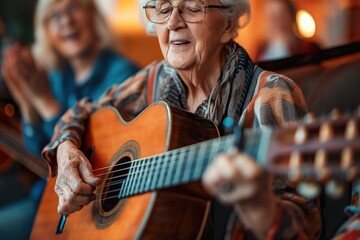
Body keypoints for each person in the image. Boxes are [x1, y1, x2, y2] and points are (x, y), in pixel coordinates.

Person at [41, 0, 321, 238]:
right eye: (163, 9)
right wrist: (66, 151)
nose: (173, 22)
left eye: (191, 7)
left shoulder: (271, 95)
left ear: (227, 25)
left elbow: (307, 229)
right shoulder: (153, 80)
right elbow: (83, 110)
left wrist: (260, 206)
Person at [0, 0, 138, 238]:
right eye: (54, 16)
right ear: (46, 31)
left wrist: (45, 101)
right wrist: (26, 103)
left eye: (73, 8)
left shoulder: (122, 74)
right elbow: (39, 155)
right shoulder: (56, 75)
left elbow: (93, 158)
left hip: (92, 210)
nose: (65, 21)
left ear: (92, 15)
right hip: (48, 200)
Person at [255, 0, 320, 61]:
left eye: (282, 15)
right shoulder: (260, 49)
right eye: (272, 16)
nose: (277, 20)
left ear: (292, 16)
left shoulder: (309, 48)